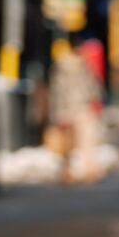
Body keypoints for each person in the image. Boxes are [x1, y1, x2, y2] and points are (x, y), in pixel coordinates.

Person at [48, 38, 101, 183]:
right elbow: (93, 85)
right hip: (83, 106)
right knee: (87, 141)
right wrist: (95, 100)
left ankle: (67, 171)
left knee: (67, 145)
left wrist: (57, 112)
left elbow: (57, 91)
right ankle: (90, 169)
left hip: (67, 108)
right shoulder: (84, 64)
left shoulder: (59, 66)